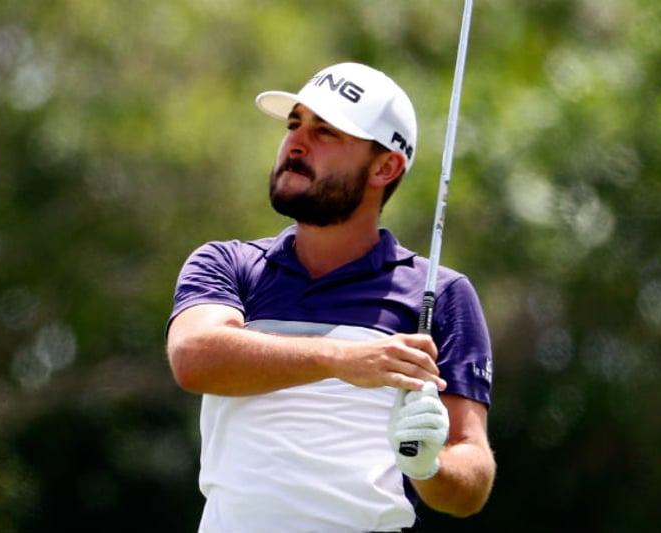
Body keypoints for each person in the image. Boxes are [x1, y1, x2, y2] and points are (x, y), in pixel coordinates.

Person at [166, 62, 495, 532]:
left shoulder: (440, 294)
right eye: (294, 124)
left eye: (326, 132)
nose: (296, 143)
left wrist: (430, 467)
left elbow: (471, 483)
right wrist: (343, 359)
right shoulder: (229, 264)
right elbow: (195, 358)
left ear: (385, 166)